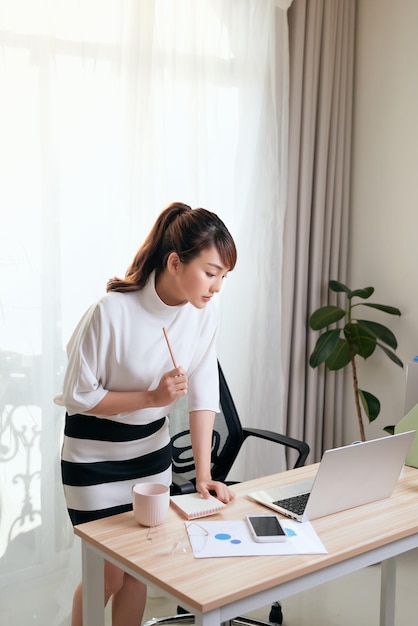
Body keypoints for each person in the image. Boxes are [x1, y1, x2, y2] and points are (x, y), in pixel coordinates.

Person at [59, 201, 237, 626]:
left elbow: (203, 395)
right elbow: (78, 396)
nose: (216, 287)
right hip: (93, 458)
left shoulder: (203, 316)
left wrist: (204, 475)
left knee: (139, 572)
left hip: (150, 457)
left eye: (224, 277)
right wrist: (151, 397)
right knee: (107, 575)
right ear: (175, 262)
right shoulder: (110, 312)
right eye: (211, 273)